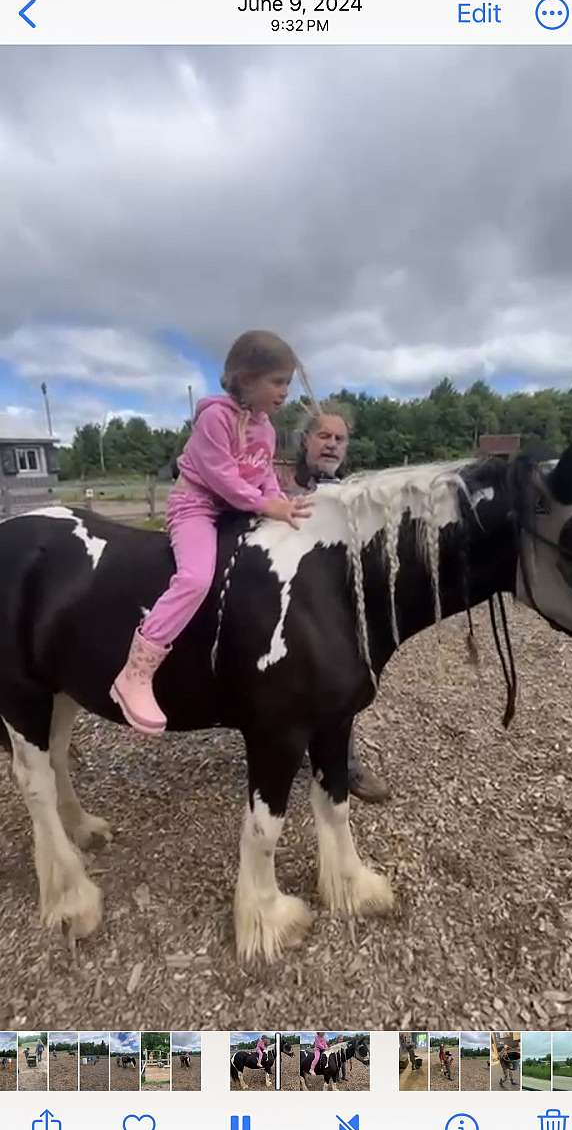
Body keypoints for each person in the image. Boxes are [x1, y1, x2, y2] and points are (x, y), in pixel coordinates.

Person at [110, 330, 312, 734]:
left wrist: (281, 505)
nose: (285, 391)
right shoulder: (214, 418)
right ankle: (135, 671)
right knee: (196, 578)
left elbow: (264, 476)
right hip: (197, 506)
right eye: (277, 381)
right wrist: (264, 503)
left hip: (234, 509)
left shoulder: (267, 429)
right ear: (245, 378)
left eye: (288, 382)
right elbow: (221, 477)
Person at [290, 405, 389, 803]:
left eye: (339, 438)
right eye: (323, 436)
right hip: (289, 609)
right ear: (305, 441)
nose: (331, 444)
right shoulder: (280, 489)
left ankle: (344, 766)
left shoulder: (355, 495)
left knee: (340, 688)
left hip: (337, 612)